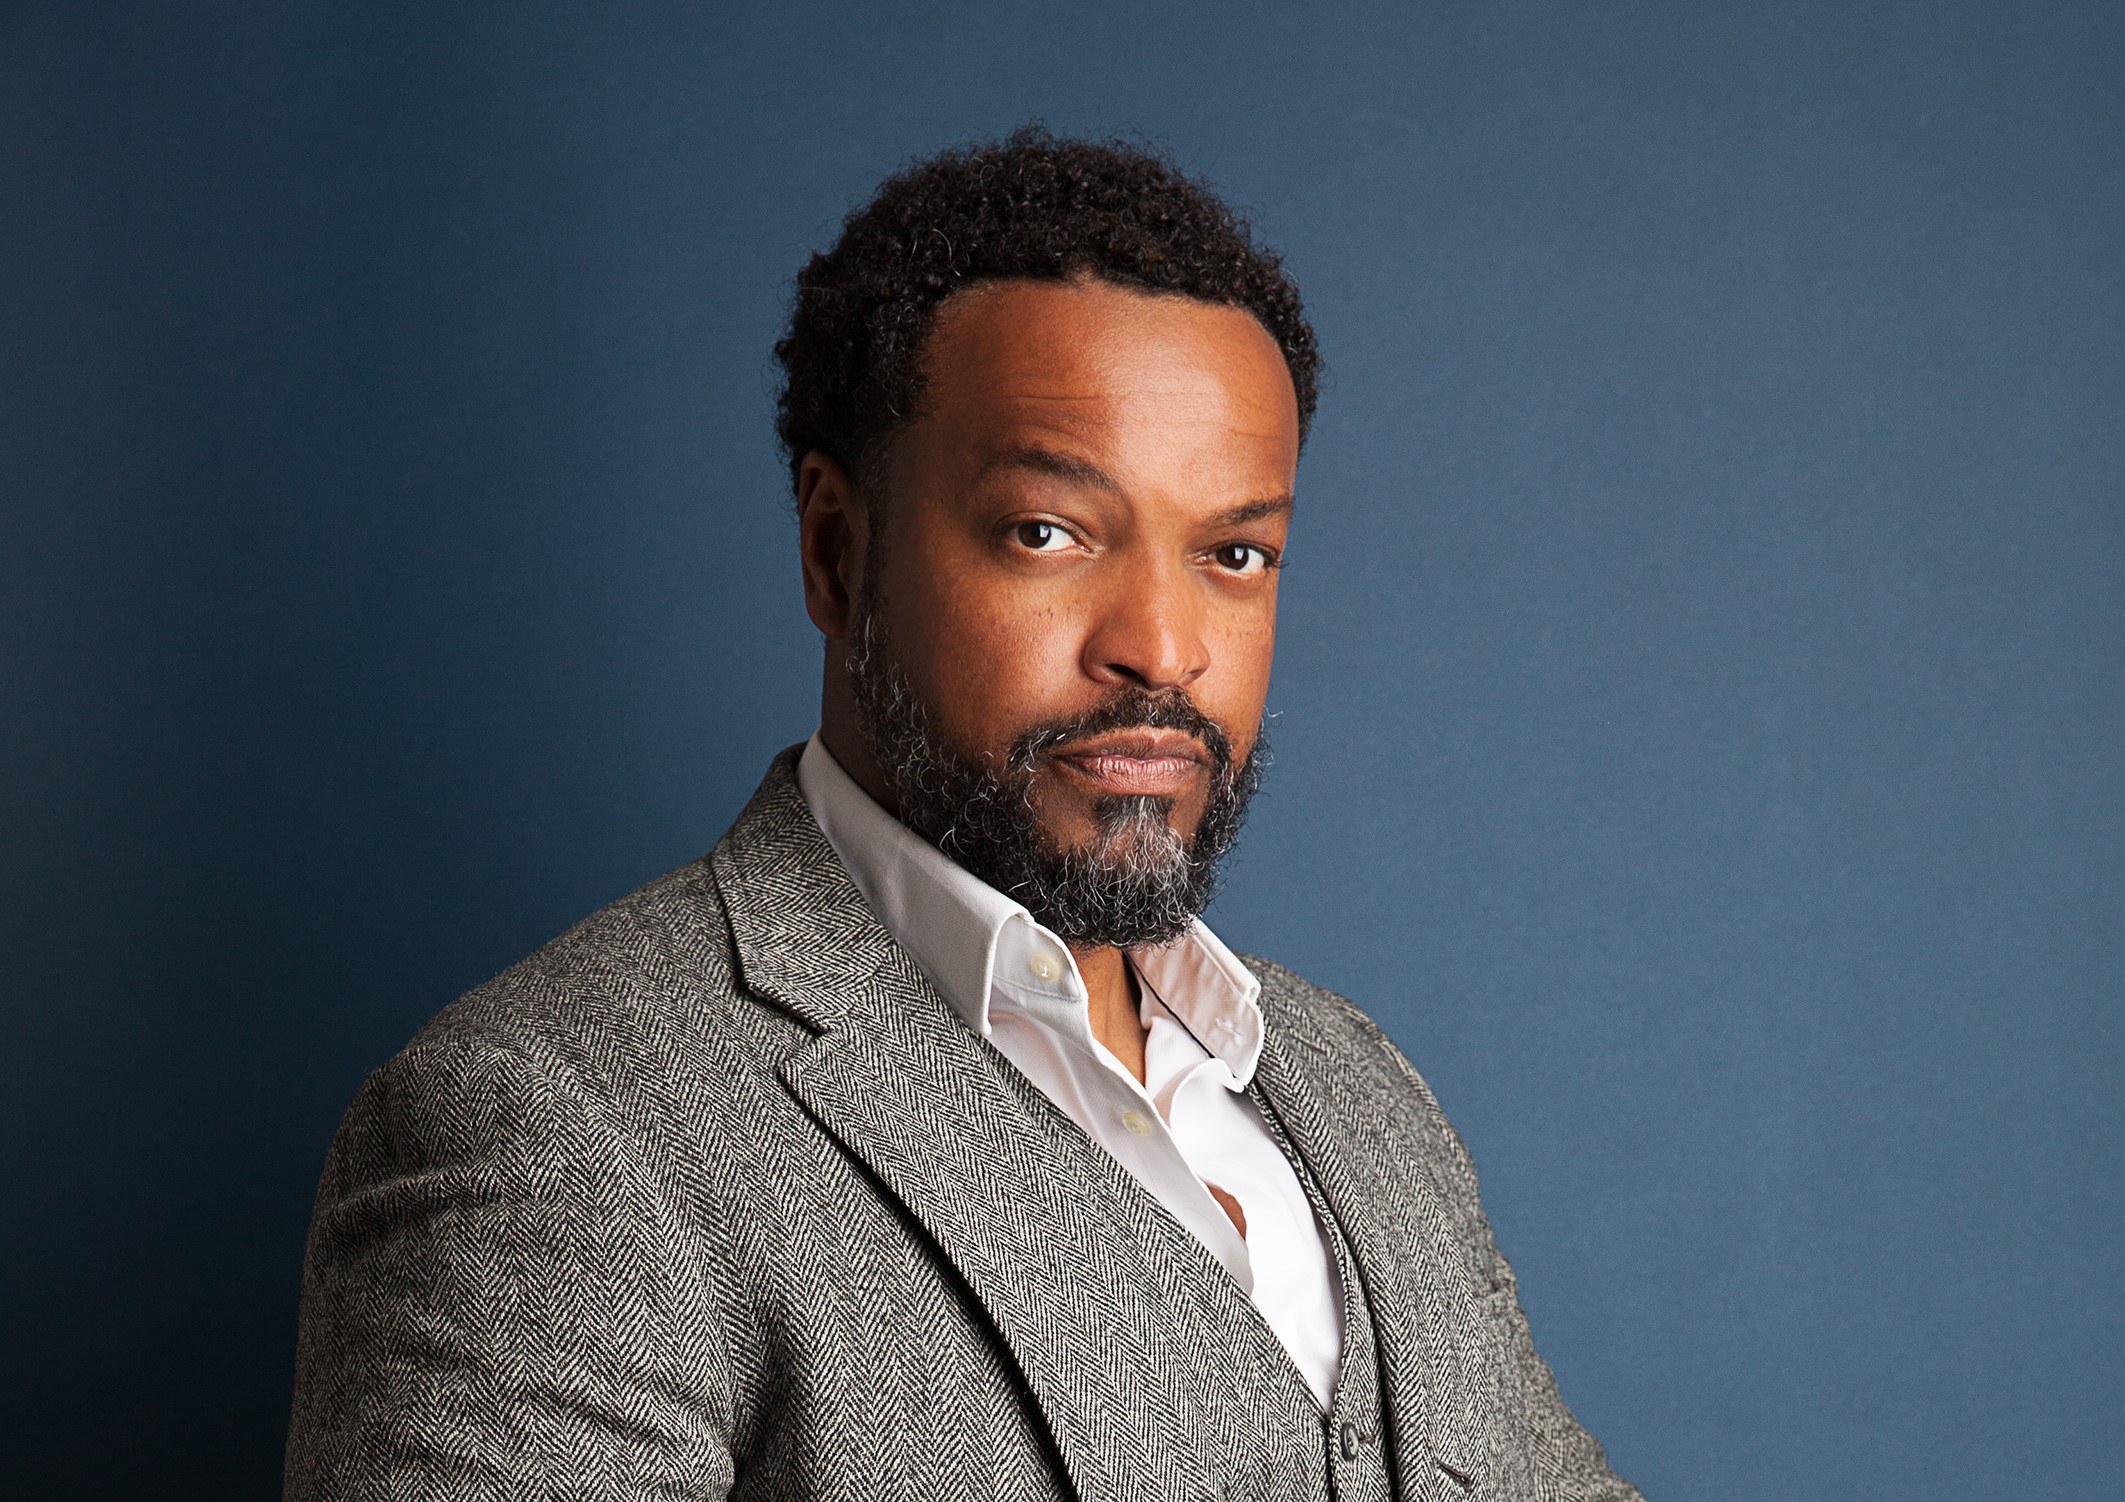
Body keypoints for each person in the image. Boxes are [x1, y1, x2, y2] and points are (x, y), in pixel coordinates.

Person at [285, 127, 1641, 1502]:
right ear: (836, 546)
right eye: (1047, 531)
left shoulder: (1365, 1102)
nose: (1162, 645)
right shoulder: (556, 1128)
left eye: (1233, 553)